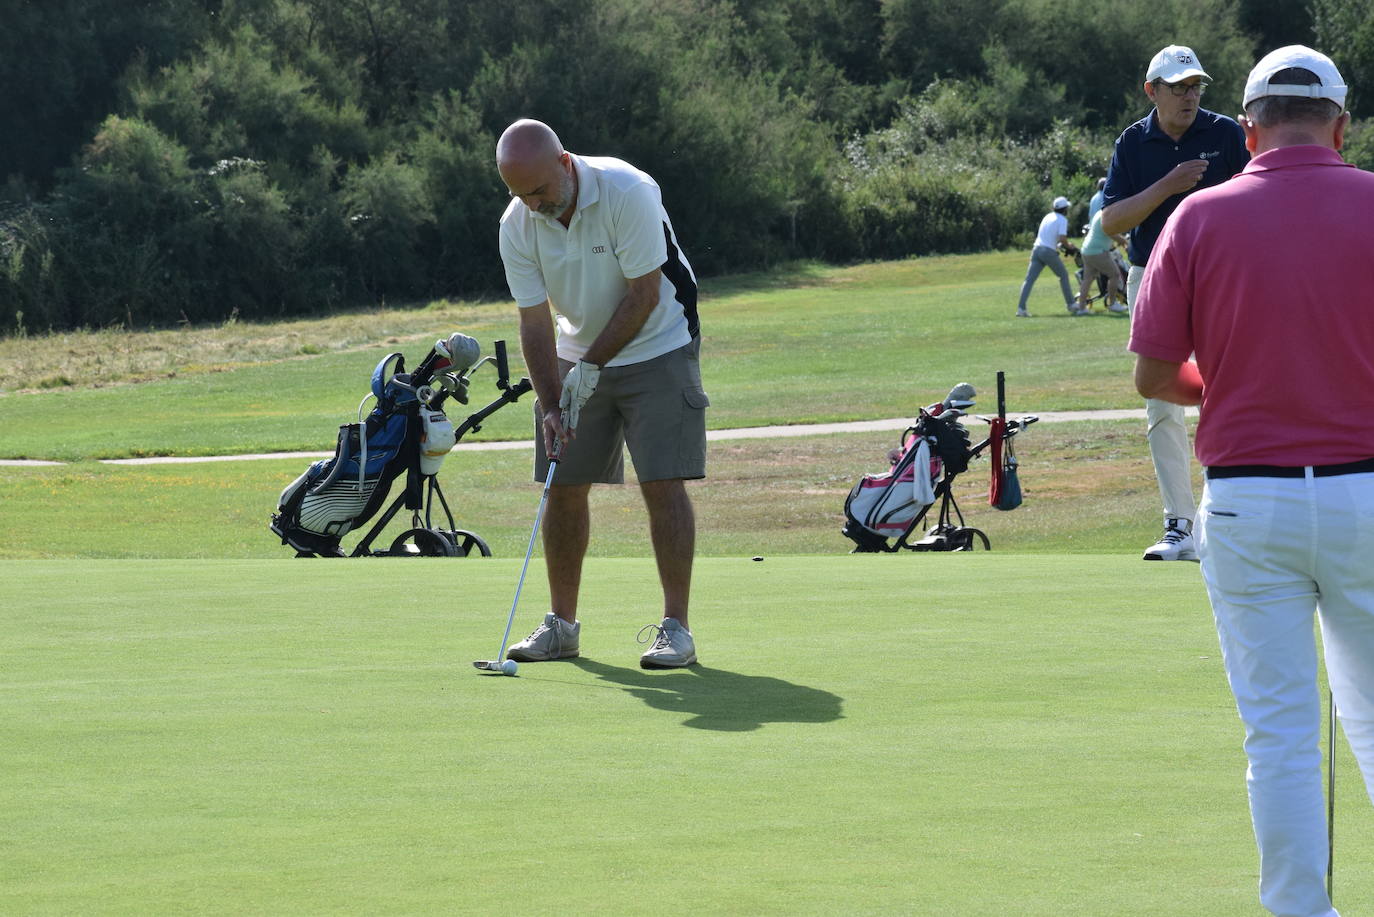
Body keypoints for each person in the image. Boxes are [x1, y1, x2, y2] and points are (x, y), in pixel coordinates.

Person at [1130, 46, 1374, 917]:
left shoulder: (1198, 218)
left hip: (1246, 499)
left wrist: (1219, 385)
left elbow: (1156, 375)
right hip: (1368, 497)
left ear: (1245, 127)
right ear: (1341, 125)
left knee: (1280, 736)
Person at [494, 119, 707, 669]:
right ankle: (561, 627)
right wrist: (549, 403)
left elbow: (644, 295)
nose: (532, 204)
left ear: (563, 163)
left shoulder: (628, 190)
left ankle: (676, 629)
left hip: (659, 342)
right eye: (519, 194)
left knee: (662, 482)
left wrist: (588, 369)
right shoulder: (518, 222)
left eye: (539, 190)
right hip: (577, 348)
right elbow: (536, 323)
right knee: (562, 485)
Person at [1101, 45, 1249, 561]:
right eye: (1178, 87)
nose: (1190, 96)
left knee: (1225, 390)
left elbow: (1256, 196)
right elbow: (1111, 222)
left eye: (1195, 87)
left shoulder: (1227, 133)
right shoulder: (1133, 142)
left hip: (1220, 276)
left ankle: (1221, 519)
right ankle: (1179, 526)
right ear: (1152, 91)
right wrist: (1168, 185)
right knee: (1161, 402)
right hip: (1153, 273)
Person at [1015, 195, 1081, 318]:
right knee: (1063, 275)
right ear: (1064, 209)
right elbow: (1062, 238)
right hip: (1048, 251)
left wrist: (1061, 244)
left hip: (1036, 249)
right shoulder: (1062, 219)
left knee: (1029, 280)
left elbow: (1050, 236)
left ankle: (1021, 308)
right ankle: (1071, 304)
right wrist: (1069, 246)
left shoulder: (1047, 216)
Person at [1074, 210, 1128, 313]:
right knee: (1115, 275)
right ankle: (1112, 304)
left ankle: (1081, 308)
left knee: (1088, 279)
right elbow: (1111, 234)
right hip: (1098, 251)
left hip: (1087, 249)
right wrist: (1125, 242)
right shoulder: (1106, 215)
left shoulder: (1100, 213)